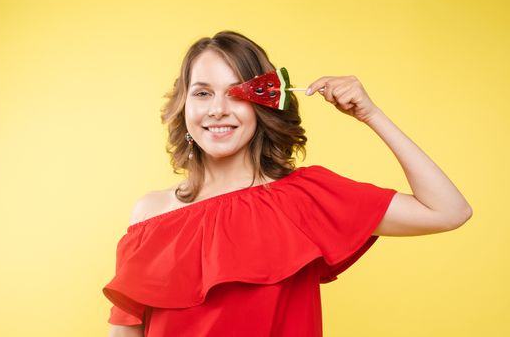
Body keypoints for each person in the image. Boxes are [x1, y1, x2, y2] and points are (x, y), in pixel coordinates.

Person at [103, 30, 472, 337]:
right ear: (184, 107)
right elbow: (126, 331)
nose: (217, 109)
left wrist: (371, 115)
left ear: (263, 104)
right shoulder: (150, 214)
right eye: (202, 93)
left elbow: (448, 211)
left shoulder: (305, 198)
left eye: (237, 93)